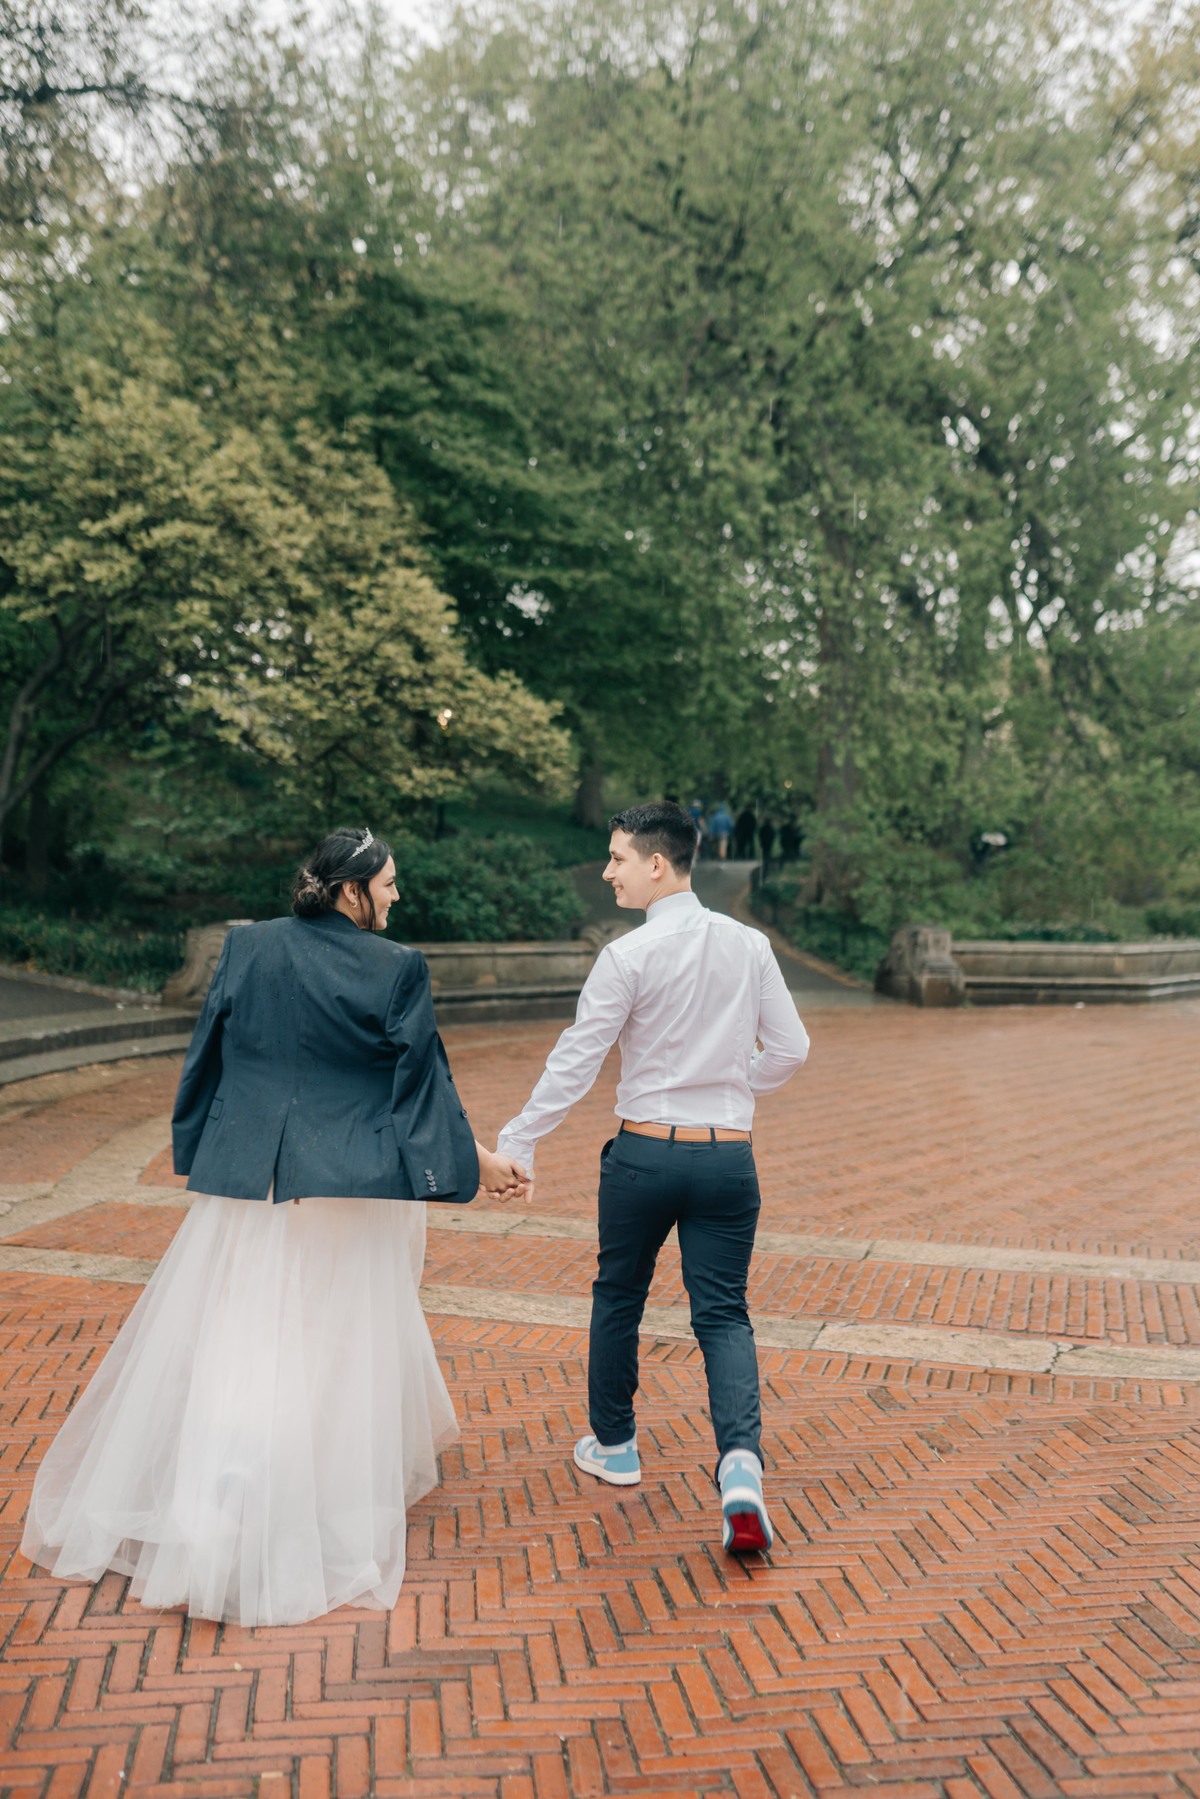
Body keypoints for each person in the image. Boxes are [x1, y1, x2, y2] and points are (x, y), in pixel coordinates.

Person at [21, 826, 526, 1626]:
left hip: (248, 1179)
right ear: (351, 888)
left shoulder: (248, 946)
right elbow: (420, 1087)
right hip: (346, 1189)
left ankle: (219, 1502)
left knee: (241, 1331)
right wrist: (477, 1165)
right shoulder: (397, 967)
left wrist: (202, 1144)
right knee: (329, 1341)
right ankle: (297, 1502)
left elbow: (207, 1052)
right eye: (388, 882)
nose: (398, 895)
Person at [497, 802, 808, 1553]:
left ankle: (616, 1445)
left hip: (644, 1154)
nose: (608, 871)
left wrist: (518, 1142)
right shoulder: (750, 944)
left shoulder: (625, 957)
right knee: (724, 1314)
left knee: (619, 1294)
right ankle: (740, 1466)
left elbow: (577, 1059)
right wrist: (733, 1090)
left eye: (617, 858)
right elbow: (791, 1048)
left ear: (657, 864)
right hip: (727, 1156)